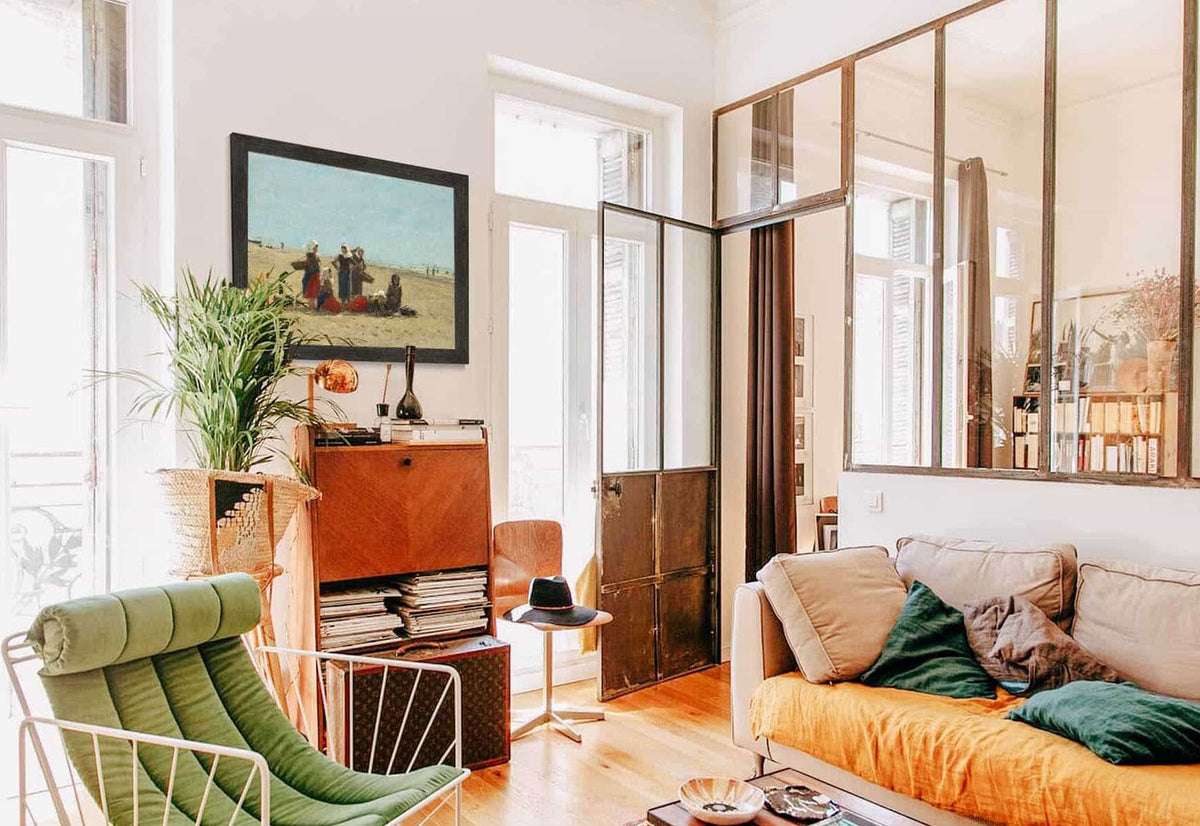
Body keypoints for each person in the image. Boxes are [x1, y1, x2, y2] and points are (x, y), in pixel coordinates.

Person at [301, 240, 321, 308]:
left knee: (313, 292)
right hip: (312, 276)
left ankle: (312, 305)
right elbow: (311, 267)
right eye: (315, 247)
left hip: (314, 275)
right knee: (312, 292)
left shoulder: (314, 255)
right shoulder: (311, 256)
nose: (316, 249)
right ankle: (312, 306)